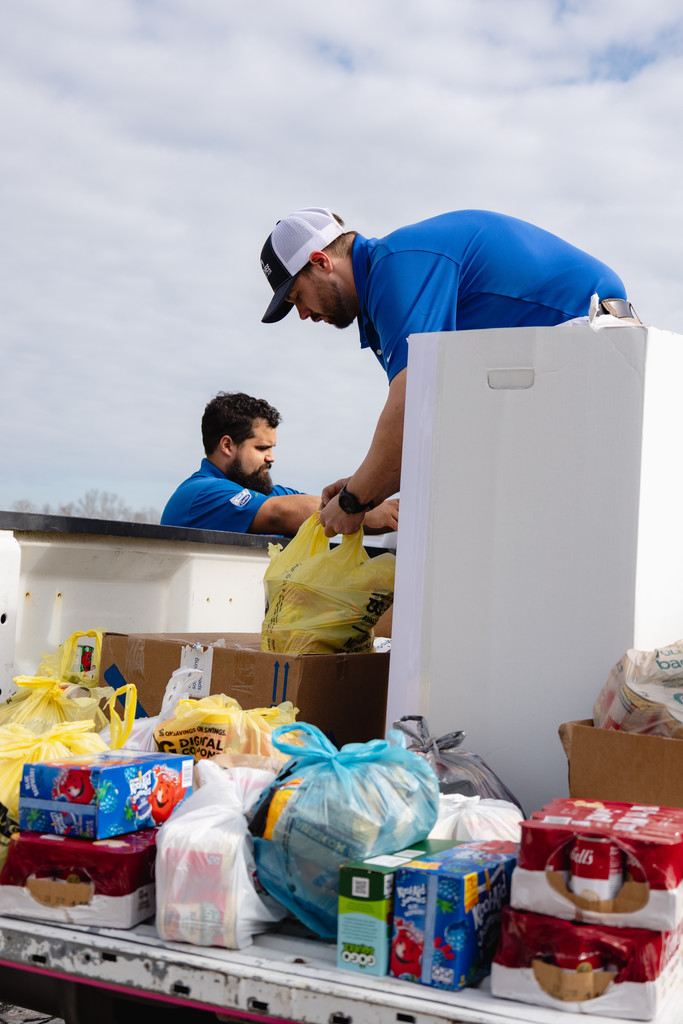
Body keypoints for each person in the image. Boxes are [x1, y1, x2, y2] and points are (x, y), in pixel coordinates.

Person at [260, 207, 636, 536]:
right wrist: (361, 490)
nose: (304, 314)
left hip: (586, 338)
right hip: (570, 356)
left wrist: (354, 500)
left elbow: (413, 407)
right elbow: (428, 427)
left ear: (322, 262)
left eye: (297, 297)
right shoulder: (387, 287)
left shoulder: (395, 267)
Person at [161, 391, 399, 536]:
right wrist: (358, 509)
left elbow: (327, 515)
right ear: (227, 446)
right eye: (262, 448)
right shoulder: (201, 494)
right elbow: (281, 514)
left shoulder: (268, 494)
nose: (271, 457)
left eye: (272, 448)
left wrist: (397, 515)